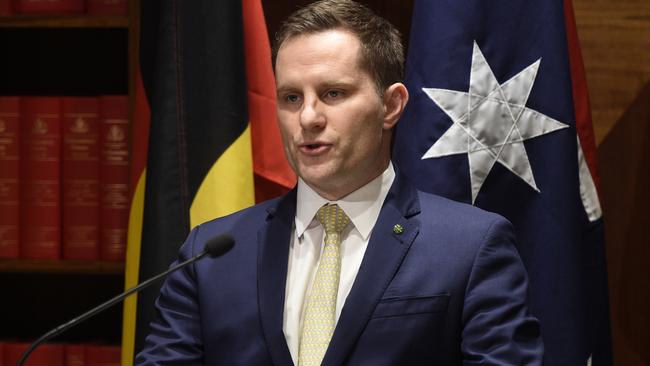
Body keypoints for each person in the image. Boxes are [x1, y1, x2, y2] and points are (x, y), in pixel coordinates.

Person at [136, 0, 543, 365]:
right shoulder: (210, 254)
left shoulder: (469, 248)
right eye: (291, 98)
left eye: (332, 93)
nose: (308, 118)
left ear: (391, 105)